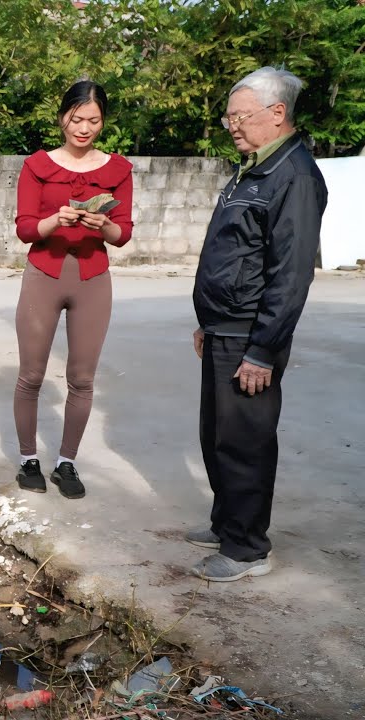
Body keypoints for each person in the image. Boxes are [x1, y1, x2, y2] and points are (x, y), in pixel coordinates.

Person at [188, 67, 327, 582]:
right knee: (217, 434)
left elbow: (290, 275)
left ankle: (247, 550)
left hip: (252, 333)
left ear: (277, 113)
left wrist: (263, 349)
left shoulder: (295, 176)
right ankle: (228, 522)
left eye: (240, 116)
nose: (232, 126)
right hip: (226, 325)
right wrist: (209, 320)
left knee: (245, 439)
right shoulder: (254, 169)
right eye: (228, 117)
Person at [12, 80, 134, 500]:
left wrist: (106, 226)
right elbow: (26, 228)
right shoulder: (37, 165)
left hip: (92, 279)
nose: (83, 128)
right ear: (62, 116)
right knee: (31, 376)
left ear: (103, 121)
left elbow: (124, 235)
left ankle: (67, 462)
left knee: (82, 379)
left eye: (93, 120)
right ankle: (29, 458)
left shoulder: (118, 169)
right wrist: (55, 222)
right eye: (76, 118)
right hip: (43, 275)